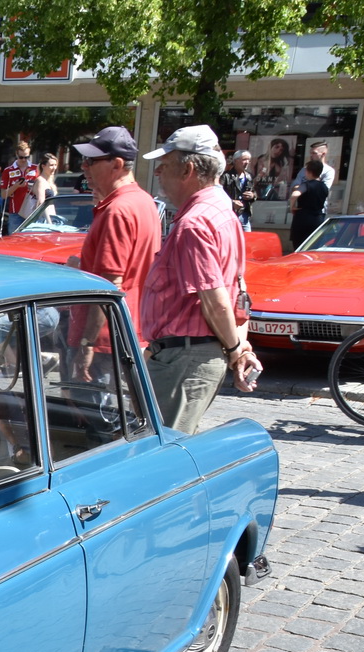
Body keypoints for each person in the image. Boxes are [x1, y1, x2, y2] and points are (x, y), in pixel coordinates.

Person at [139, 125, 259, 435]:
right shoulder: (221, 211)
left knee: (161, 456)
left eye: (164, 166)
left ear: (188, 170)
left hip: (185, 360)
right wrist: (240, 348)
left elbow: (216, 298)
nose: (158, 174)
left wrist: (236, 350)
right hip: (187, 355)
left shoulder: (195, 222)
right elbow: (238, 292)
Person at [66, 126, 161, 380]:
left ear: (117, 164)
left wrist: (88, 343)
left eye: (91, 160)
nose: (84, 167)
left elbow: (108, 286)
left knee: (89, 416)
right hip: (127, 331)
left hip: (105, 341)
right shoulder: (142, 201)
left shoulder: (117, 210)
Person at [288, 159, 330, 250]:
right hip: (318, 219)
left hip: (303, 218)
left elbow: (294, 195)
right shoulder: (324, 187)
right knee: (313, 248)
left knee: (299, 247)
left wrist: (292, 207)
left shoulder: (306, 185)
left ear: (308, 172)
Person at [0, 141, 37, 232]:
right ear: (16, 154)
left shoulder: (36, 168)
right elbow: (3, 195)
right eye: (21, 157)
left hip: (33, 210)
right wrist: (16, 186)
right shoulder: (8, 171)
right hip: (15, 212)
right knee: (14, 241)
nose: (24, 160)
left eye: (26, 157)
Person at [222, 150, 256, 230]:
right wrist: (231, 202)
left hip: (244, 215)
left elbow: (253, 191)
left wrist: (253, 195)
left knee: (247, 240)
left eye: (249, 160)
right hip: (229, 215)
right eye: (244, 159)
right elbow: (218, 194)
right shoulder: (225, 176)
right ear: (236, 161)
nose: (247, 162)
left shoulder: (249, 176)